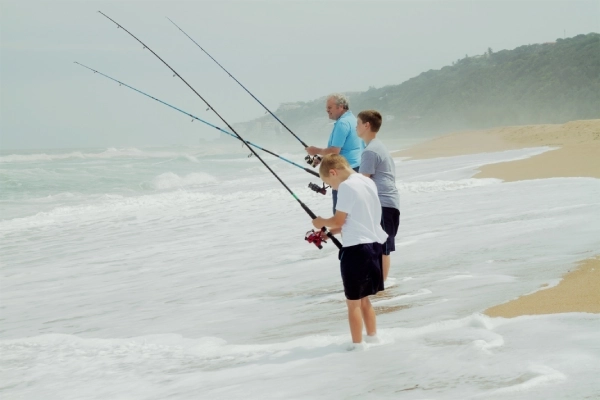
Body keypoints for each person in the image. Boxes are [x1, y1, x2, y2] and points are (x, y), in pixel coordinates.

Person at [312, 154, 388, 348]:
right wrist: (329, 234)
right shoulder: (367, 181)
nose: (332, 188)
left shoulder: (346, 186)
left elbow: (337, 220)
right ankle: (373, 338)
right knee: (364, 300)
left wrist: (320, 222)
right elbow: (353, 221)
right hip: (373, 246)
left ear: (333, 172)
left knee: (352, 302)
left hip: (356, 251)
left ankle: (358, 347)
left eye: (329, 184)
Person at [356, 110, 400, 282]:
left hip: (382, 203)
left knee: (382, 248)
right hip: (389, 202)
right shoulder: (378, 146)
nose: (356, 127)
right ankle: (379, 286)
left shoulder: (370, 151)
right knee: (383, 247)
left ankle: (380, 287)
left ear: (367, 125)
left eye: (358, 124)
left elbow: (362, 182)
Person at [306, 94, 364, 213]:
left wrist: (314, 150)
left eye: (330, 107)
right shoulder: (354, 120)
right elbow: (348, 148)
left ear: (340, 107)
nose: (327, 110)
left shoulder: (342, 123)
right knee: (354, 211)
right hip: (357, 169)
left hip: (343, 173)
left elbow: (334, 151)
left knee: (340, 215)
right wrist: (321, 158)